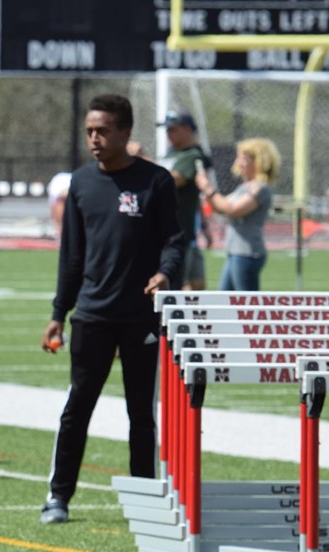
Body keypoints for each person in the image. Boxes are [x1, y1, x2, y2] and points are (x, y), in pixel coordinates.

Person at [39, 94, 185, 524]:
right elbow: (71, 256)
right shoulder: (81, 183)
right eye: (89, 131)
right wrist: (58, 313)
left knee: (141, 413)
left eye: (102, 131)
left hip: (141, 316)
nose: (94, 139)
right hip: (92, 315)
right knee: (77, 408)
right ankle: (58, 497)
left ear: (125, 131)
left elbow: (174, 241)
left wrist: (165, 273)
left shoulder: (156, 182)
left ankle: (146, 501)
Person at [196, 137, 279, 292]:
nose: (238, 163)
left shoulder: (260, 189)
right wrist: (205, 192)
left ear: (258, 161)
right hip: (235, 252)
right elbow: (220, 207)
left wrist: (209, 189)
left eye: (243, 158)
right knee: (224, 299)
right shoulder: (244, 187)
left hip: (247, 254)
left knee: (247, 302)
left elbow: (233, 210)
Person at [157, 110, 212, 291]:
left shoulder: (193, 155)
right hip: (167, 232)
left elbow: (175, 180)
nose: (168, 133)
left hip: (182, 231)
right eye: (167, 129)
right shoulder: (170, 154)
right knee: (181, 285)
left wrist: (144, 162)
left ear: (187, 129)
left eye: (173, 129)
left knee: (194, 285)